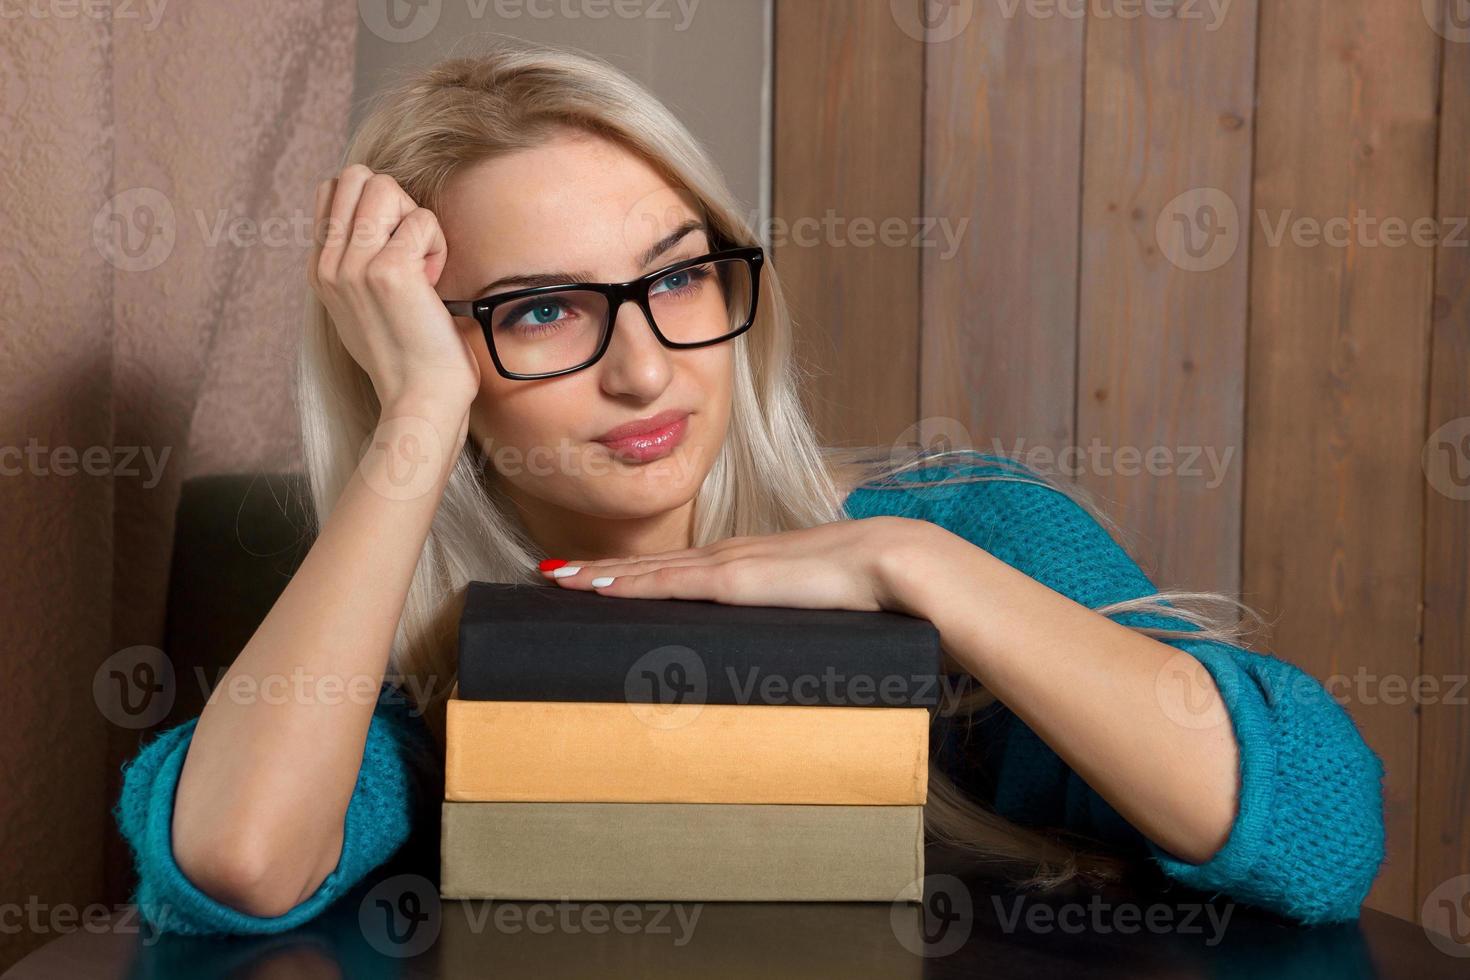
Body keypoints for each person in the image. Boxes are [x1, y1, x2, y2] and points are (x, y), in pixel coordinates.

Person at [113, 36, 1384, 937]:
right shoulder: (422, 650)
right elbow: (241, 856)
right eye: (542, 309)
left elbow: (1327, 833)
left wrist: (909, 567)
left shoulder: (964, 528)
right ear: (422, 346)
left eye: (677, 276)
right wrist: (415, 427)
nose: (646, 367)